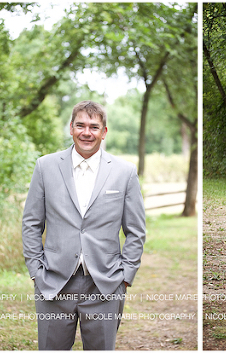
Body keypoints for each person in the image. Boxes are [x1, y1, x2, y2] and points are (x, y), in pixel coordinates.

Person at [22, 100, 146, 350]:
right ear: (71, 128)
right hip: (53, 283)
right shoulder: (45, 166)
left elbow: (136, 230)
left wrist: (125, 277)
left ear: (104, 131)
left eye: (94, 127)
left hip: (105, 285)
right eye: (80, 125)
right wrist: (36, 270)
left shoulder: (125, 172)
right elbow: (31, 222)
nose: (86, 132)